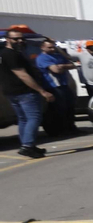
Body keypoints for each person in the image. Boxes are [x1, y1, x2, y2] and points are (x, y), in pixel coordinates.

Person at [2, 27, 54, 158]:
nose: (20, 41)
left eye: (21, 38)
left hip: (11, 92)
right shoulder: (11, 54)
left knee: (23, 119)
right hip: (24, 92)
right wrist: (42, 91)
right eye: (16, 39)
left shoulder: (4, 53)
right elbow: (22, 75)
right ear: (8, 39)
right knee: (33, 118)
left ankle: (28, 145)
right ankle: (27, 146)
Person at [35, 39, 78, 136]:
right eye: (49, 47)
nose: (52, 49)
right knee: (59, 108)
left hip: (64, 84)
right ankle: (60, 130)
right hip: (53, 86)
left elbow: (73, 65)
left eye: (53, 47)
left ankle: (71, 127)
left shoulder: (58, 56)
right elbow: (55, 70)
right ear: (42, 47)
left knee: (70, 106)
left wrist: (62, 65)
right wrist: (61, 67)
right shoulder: (42, 58)